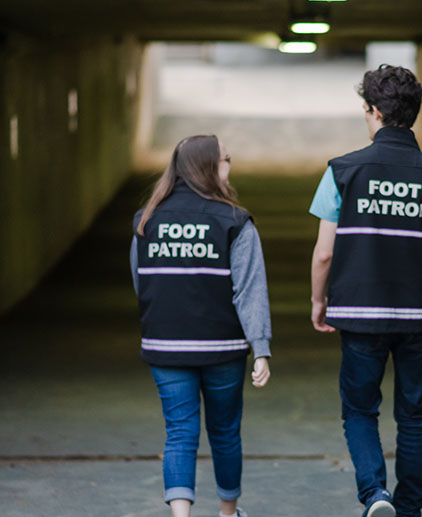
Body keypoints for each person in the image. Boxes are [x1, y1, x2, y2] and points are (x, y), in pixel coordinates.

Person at [309, 64, 422, 517]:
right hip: (420, 316)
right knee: (414, 414)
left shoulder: (342, 171)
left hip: (358, 313)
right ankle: (410, 506)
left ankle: (376, 495)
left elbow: (324, 254)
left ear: (375, 112)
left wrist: (320, 302)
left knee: (360, 409)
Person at [130, 135, 272, 517]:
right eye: (226, 159)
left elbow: (143, 282)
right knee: (224, 433)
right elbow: (249, 290)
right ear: (209, 166)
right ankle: (228, 514)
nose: (230, 166)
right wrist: (260, 349)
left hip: (166, 345)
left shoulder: (146, 220)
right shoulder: (234, 221)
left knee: (179, 433)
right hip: (221, 347)